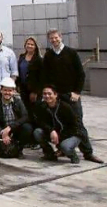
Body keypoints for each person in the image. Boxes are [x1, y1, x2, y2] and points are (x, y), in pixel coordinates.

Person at [41, 29, 103, 163]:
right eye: (51, 38)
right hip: (56, 97)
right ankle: (63, 149)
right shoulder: (48, 55)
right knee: (58, 124)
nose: (54, 40)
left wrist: (77, 92)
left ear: (61, 37)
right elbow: (45, 76)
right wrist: (48, 94)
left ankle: (88, 153)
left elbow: (81, 74)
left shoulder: (71, 53)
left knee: (78, 124)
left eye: (56, 37)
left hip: (71, 96)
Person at [0, 77, 32, 157]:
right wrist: (2, 132)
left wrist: (10, 128)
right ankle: (0, 148)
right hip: (1, 129)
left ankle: (19, 150)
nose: (7, 93)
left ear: (14, 91)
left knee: (27, 128)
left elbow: (25, 116)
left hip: (14, 128)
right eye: (5, 90)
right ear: (1, 90)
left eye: (10, 90)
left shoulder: (18, 101)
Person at [20, 36, 43, 119]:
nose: (29, 46)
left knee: (35, 111)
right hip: (23, 89)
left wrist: (35, 92)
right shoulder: (22, 57)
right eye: (28, 44)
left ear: (35, 46)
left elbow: (41, 77)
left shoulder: (39, 59)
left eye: (32, 44)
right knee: (25, 111)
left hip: (34, 91)